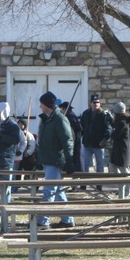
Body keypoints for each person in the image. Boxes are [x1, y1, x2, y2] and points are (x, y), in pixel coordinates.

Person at [35, 92, 75, 229]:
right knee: (58, 191)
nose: (40, 106)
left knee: (49, 190)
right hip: (48, 159)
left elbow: (67, 140)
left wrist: (69, 159)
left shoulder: (59, 119)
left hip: (55, 160)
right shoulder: (47, 119)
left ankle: (43, 221)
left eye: (41, 104)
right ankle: (67, 219)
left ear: (47, 105)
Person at [0, 101, 22, 205]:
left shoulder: (12, 125)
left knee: (6, 186)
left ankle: (6, 205)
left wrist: (2, 137)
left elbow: (16, 139)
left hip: (6, 160)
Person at [80, 94, 113, 173]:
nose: (96, 104)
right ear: (90, 103)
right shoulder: (85, 113)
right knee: (85, 165)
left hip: (98, 144)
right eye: (94, 102)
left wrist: (105, 139)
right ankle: (84, 180)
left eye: (97, 102)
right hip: (87, 144)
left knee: (100, 165)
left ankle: (99, 181)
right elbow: (81, 127)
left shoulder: (103, 114)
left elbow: (108, 128)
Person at [109, 102, 130, 199]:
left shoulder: (122, 122)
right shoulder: (121, 121)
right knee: (114, 167)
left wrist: (112, 131)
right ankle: (122, 187)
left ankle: (129, 190)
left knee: (125, 170)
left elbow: (115, 134)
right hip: (119, 149)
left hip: (122, 150)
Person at [59, 100, 83, 175]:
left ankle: (77, 174)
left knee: (75, 157)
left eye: (61, 109)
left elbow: (77, 128)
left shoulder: (70, 116)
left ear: (64, 108)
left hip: (74, 140)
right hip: (74, 139)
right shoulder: (69, 115)